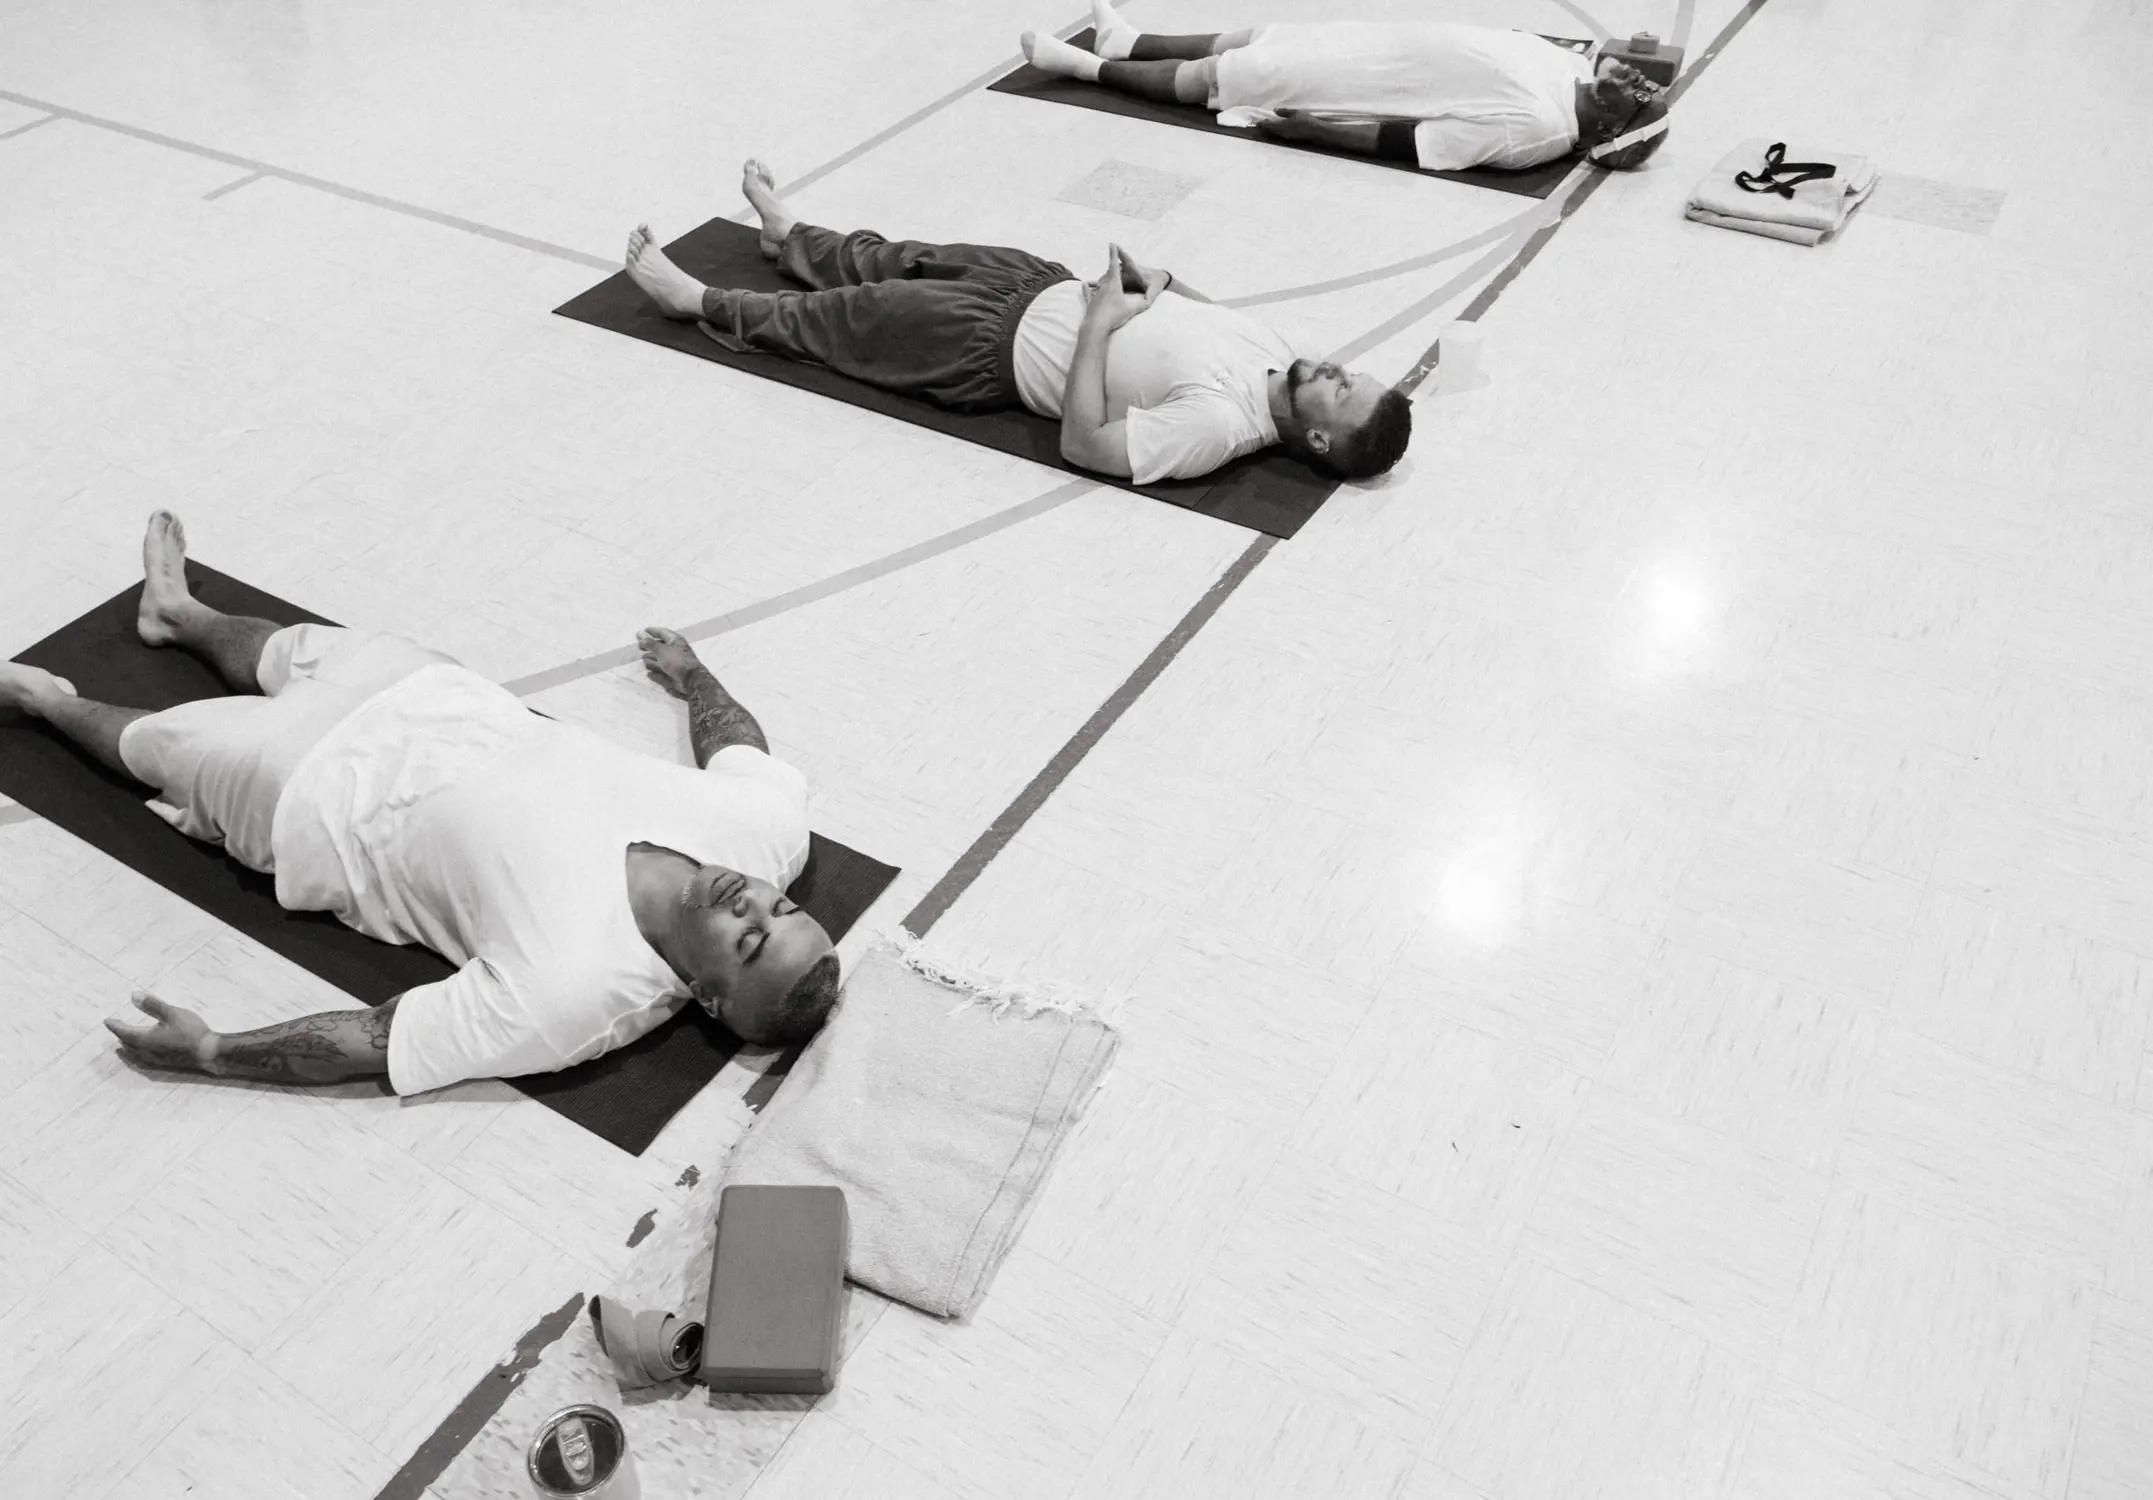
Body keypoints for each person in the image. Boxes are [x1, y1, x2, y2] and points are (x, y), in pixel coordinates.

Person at [0, 512, 841, 1093]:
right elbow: (739, 747)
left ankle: (42, 699)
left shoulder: (572, 998)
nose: (756, 901)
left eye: (752, 940)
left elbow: (374, 1042)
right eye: (782, 906)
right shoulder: (766, 833)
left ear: (706, 994)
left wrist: (215, 1051)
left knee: (157, 744)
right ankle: (178, 614)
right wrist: (693, 675)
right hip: (442, 703)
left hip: (318, 800)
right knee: (291, 652)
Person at [622, 161, 1412, 485]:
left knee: (843, 318)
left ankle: (696, 303)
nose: (1336, 371)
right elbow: (1192, 308)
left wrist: (1102, 323)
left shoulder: (1215, 431)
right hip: (1030, 284)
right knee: (896, 257)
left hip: (984, 350)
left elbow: (1085, 445)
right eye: (1351, 373)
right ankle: (789, 237)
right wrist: (1153, 279)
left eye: (1341, 392)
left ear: (1316, 439)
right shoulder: (1280, 354)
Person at [1020, 4, 1672, 173]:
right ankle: (1127, 42)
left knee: (1214, 78)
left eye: (1641, 97)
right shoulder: (1573, 73)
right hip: (1369, 41)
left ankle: (1085, 69)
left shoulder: (1535, 131)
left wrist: (1308, 128)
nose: (1639, 79)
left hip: (1358, 84)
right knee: (1246, 38)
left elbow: (1409, 139)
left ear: (1610, 132)